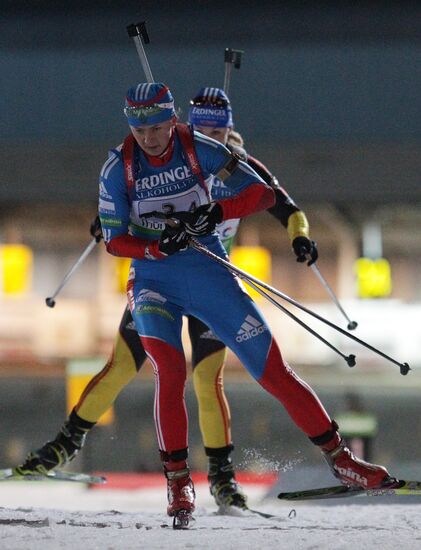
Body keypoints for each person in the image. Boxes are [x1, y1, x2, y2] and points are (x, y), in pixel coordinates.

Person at [15, 86, 318, 513]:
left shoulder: (235, 165)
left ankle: (222, 479)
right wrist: (107, 221)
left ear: (232, 128)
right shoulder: (177, 157)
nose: (214, 135)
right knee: (123, 365)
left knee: (206, 379)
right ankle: (64, 443)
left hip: (211, 281)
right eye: (204, 128)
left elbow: (287, 208)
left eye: (221, 128)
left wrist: (299, 236)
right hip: (160, 279)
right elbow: (126, 204)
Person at [97, 82, 390, 520]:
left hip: (209, 274)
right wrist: (156, 248)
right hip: (154, 282)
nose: (150, 139)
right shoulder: (118, 168)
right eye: (140, 131)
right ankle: (179, 485)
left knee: (273, 371)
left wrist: (215, 213)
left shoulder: (200, 149)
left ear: (172, 119)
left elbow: (264, 194)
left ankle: (342, 461)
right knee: (171, 371)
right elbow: (114, 241)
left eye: (157, 128)